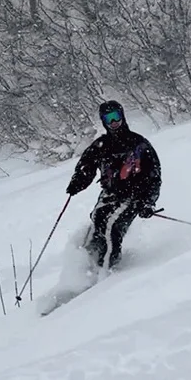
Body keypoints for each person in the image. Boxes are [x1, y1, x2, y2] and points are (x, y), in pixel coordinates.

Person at [66, 100, 162, 269]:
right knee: (98, 218)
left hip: (135, 195)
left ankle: (109, 271)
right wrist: (77, 183)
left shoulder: (139, 144)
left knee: (114, 228)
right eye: (109, 119)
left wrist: (148, 202)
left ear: (122, 116)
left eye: (116, 117)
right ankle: (88, 266)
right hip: (110, 193)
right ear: (103, 121)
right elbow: (86, 167)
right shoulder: (101, 145)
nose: (113, 123)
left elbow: (154, 176)